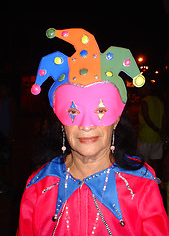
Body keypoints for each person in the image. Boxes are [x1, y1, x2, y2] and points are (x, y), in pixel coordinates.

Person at [17, 28, 169, 235]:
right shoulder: (39, 185)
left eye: (100, 110)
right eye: (73, 110)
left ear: (116, 120)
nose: (86, 125)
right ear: (62, 123)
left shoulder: (142, 186)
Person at [138, 80, 164, 174]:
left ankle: (145, 179)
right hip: (157, 136)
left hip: (146, 136)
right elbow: (163, 117)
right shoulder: (159, 101)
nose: (140, 91)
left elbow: (146, 118)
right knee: (156, 160)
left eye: (141, 89)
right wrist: (160, 131)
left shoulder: (144, 101)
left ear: (146, 89)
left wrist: (156, 129)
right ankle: (155, 179)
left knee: (143, 161)